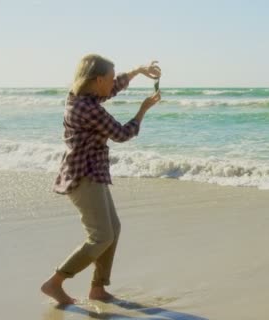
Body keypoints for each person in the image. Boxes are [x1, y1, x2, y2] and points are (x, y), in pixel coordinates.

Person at [41, 54, 162, 304]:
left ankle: (98, 288)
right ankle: (55, 283)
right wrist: (142, 110)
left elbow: (115, 85)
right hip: (83, 177)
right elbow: (121, 133)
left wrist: (138, 70)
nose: (113, 83)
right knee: (101, 236)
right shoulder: (88, 108)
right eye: (108, 79)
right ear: (97, 80)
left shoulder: (83, 96)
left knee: (113, 230)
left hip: (92, 173)